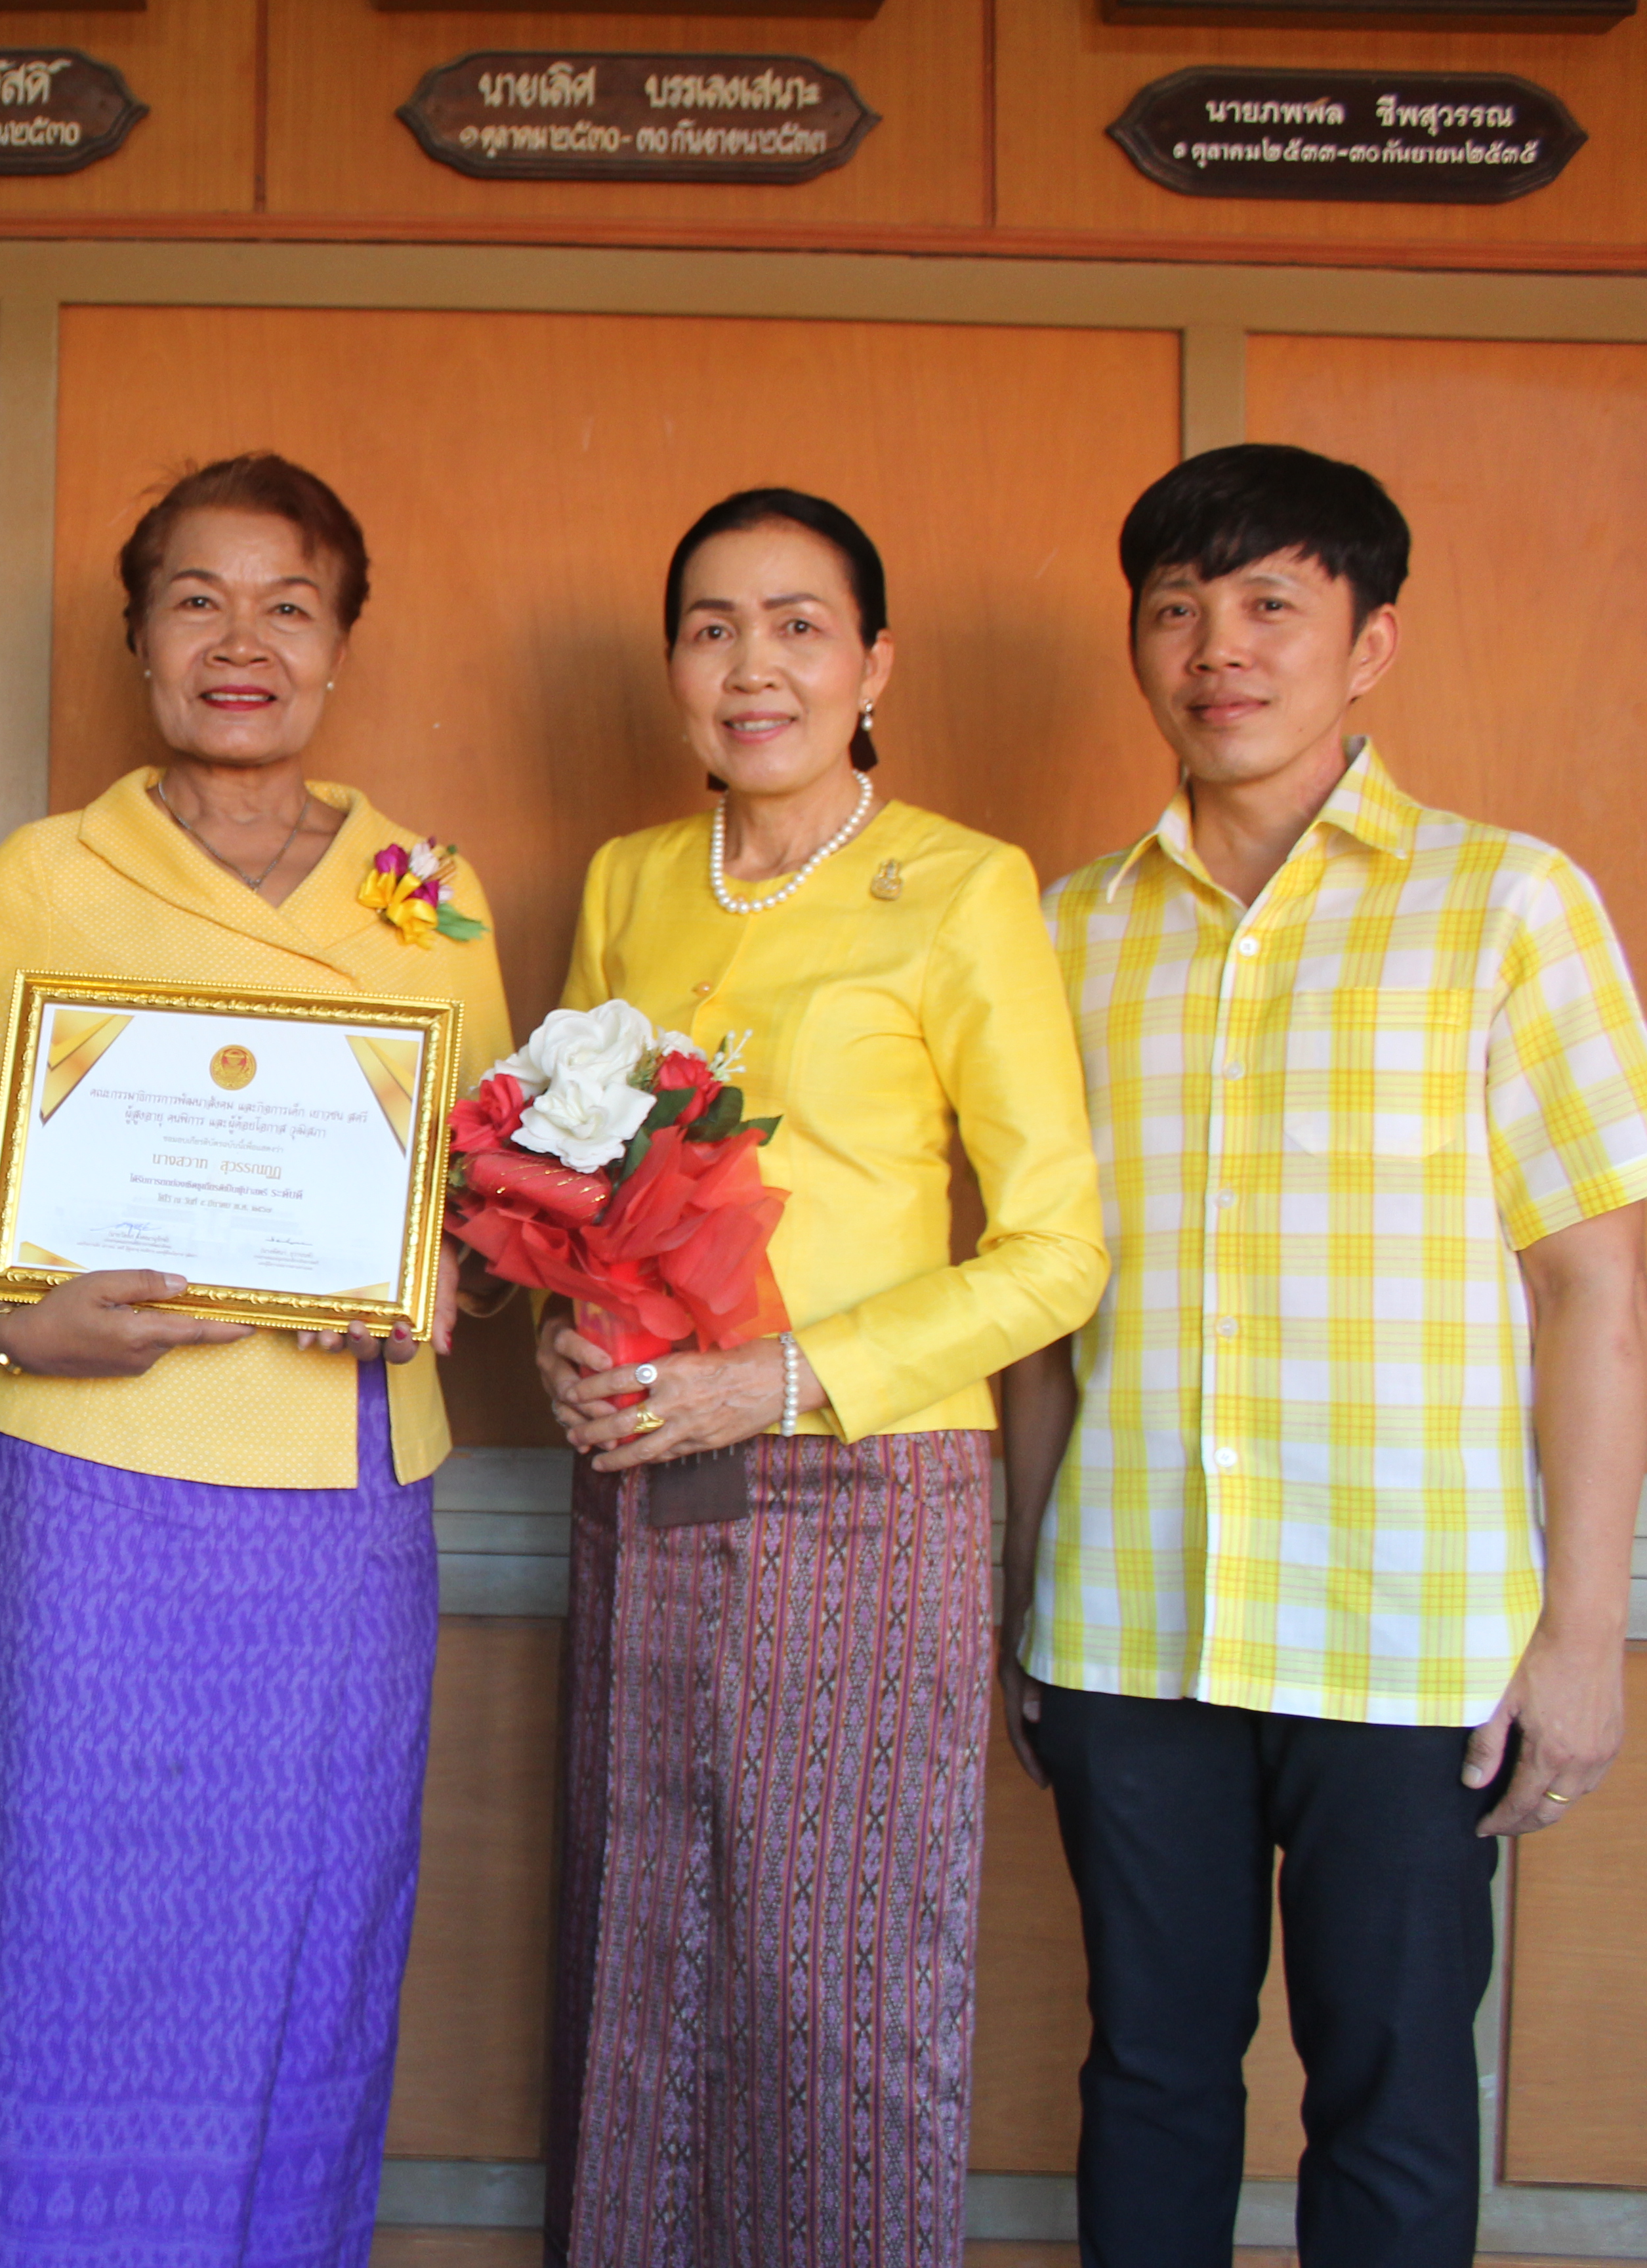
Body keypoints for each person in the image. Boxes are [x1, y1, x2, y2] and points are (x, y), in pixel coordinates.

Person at [999, 444, 1647, 2267]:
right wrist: (1023, 1590)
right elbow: (1035, 1306)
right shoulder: (1060, 935)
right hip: (1132, 1624)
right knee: (1148, 2074)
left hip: (1413, 1638)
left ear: (1369, 644)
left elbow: (1596, 1298)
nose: (1215, 647)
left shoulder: (1505, 908)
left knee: (1392, 2089)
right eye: (1175, 608)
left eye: (1269, 606)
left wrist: (1583, 1640)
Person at [0, 453, 514, 2266]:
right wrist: (12, 1315)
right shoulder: (48, 876)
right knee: (59, 1937)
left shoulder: (427, 887)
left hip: (330, 1514)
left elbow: (481, 1194)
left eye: (288, 604)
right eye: (197, 598)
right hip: (80, 1498)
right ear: (137, 635)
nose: (241, 642)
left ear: (341, 646)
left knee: (302, 1954)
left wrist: (443, 1279)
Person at [533, 490, 1108, 2266]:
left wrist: (780, 1381)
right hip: (640, 1471)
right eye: (712, 627)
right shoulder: (631, 879)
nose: (752, 664)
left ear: (873, 663)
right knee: (636, 1950)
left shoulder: (961, 884)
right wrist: (568, 1321)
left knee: (835, 1976)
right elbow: (567, 1167)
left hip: (865, 1491)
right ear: (673, 669)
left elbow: (1058, 1252)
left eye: (797, 625)